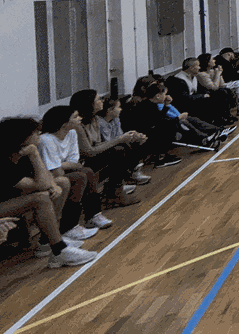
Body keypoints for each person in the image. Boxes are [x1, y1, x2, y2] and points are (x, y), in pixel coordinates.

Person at [0, 116, 97, 267]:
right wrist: (34, 154)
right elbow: (40, 185)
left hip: (15, 198)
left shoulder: (23, 154)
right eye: (34, 133)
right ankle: (59, 251)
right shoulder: (5, 161)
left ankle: (47, 241)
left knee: (62, 183)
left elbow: (46, 179)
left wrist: (52, 184)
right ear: (22, 138)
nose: (39, 134)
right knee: (41, 199)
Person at [37, 105, 110, 240]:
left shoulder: (71, 133)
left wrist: (60, 164)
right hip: (50, 178)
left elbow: (75, 163)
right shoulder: (46, 140)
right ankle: (69, 227)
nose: (80, 118)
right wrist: (62, 165)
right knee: (79, 177)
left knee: (87, 172)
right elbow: (56, 172)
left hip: (64, 171)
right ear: (64, 123)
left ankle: (93, 215)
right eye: (75, 117)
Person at [69, 90, 144, 206]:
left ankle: (115, 190)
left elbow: (98, 144)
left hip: (93, 157)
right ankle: (115, 193)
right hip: (82, 163)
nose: (102, 101)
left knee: (123, 147)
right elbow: (89, 152)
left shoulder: (94, 119)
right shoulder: (79, 126)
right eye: (98, 100)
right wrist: (119, 140)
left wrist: (124, 139)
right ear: (89, 104)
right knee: (119, 150)